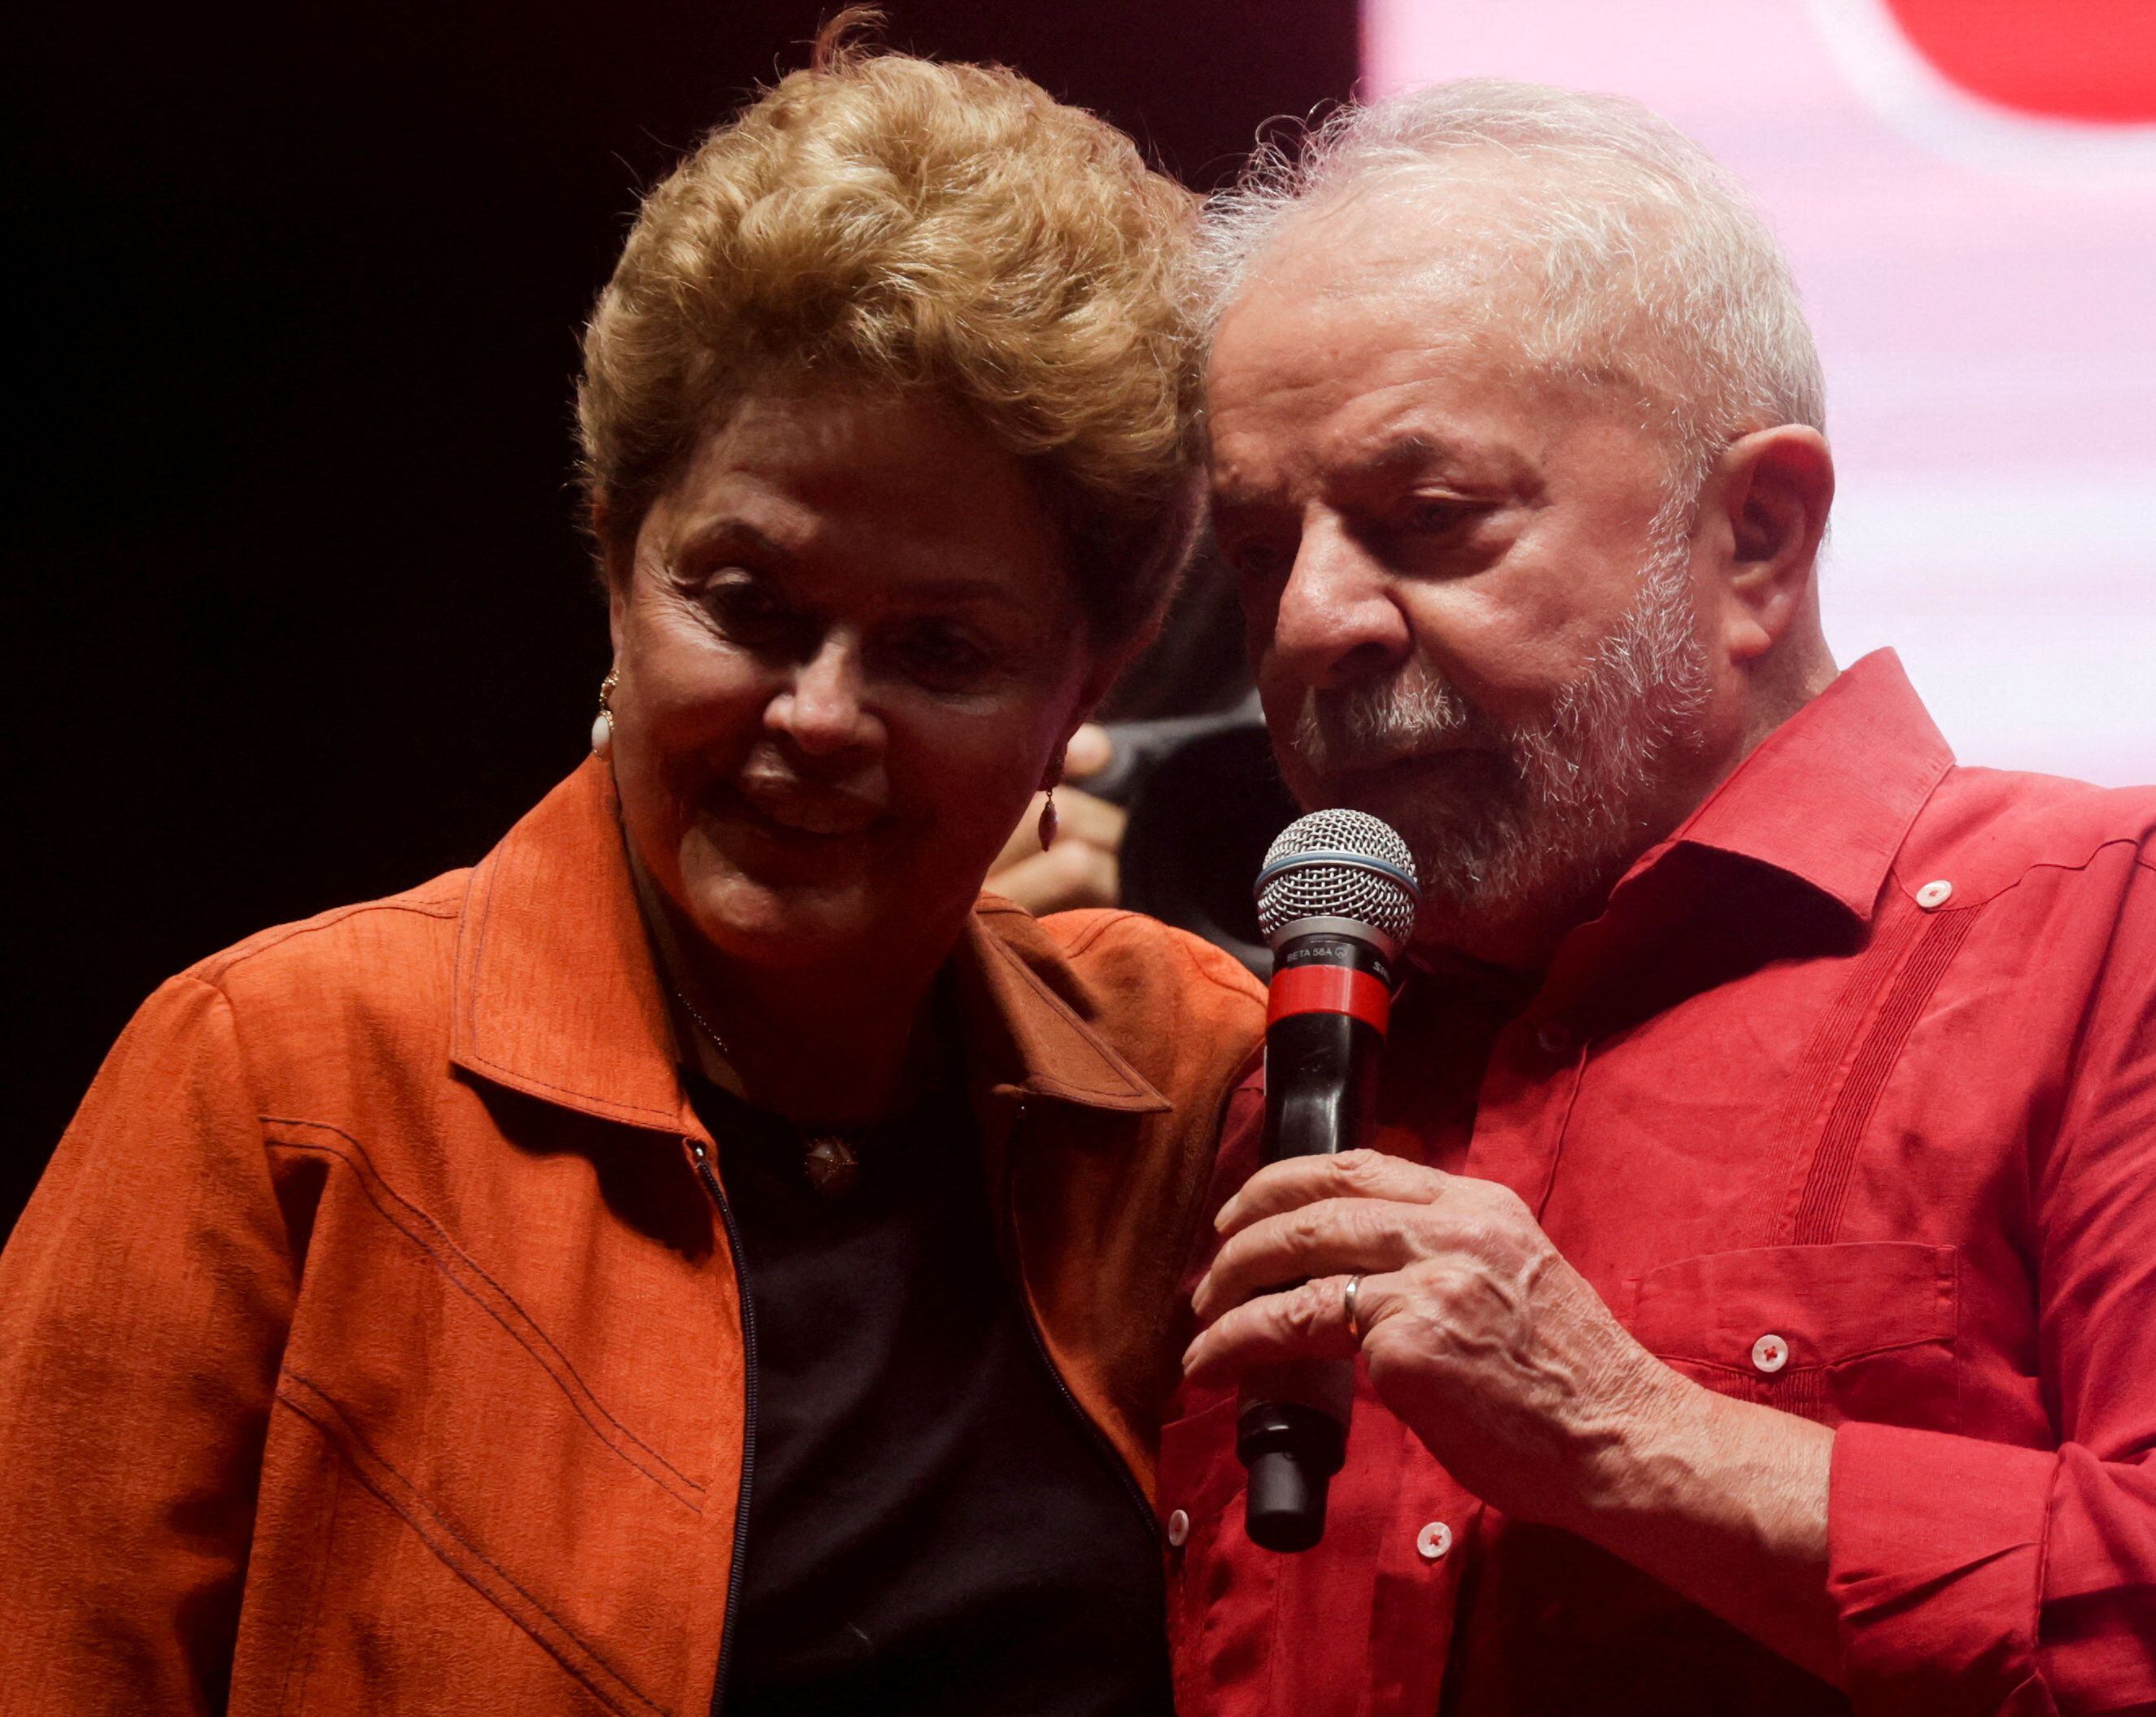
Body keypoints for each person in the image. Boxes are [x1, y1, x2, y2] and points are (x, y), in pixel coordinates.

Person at [1160, 80, 2156, 1715]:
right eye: (1251, 549)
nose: (1307, 624)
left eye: (1425, 522)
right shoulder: (1278, 1098)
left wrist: (1627, 1437)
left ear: (1757, 537)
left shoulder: (2146, 930)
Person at [0, 23, 1267, 1715]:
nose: (820, 717)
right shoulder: (277, 1083)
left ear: (1084, 695)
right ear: (615, 557)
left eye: (941, 649)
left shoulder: (1183, 1083)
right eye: (745, 605)